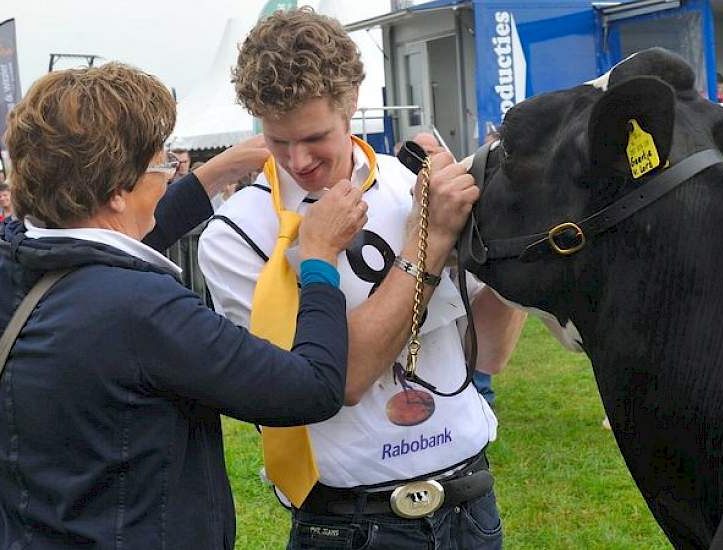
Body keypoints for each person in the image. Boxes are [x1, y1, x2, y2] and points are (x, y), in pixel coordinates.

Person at [0, 62, 368, 548]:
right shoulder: (139, 309)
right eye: (162, 165)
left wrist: (217, 172)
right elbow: (312, 388)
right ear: (117, 191)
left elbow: (104, 236)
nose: (169, 174)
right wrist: (319, 259)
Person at [200, 8, 524, 548]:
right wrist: (432, 241)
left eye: (314, 137)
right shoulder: (236, 235)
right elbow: (337, 380)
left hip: (468, 500)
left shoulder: (409, 181)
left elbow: (490, 354)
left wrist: (497, 239)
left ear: (352, 102)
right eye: (278, 142)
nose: (298, 160)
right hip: (353, 522)